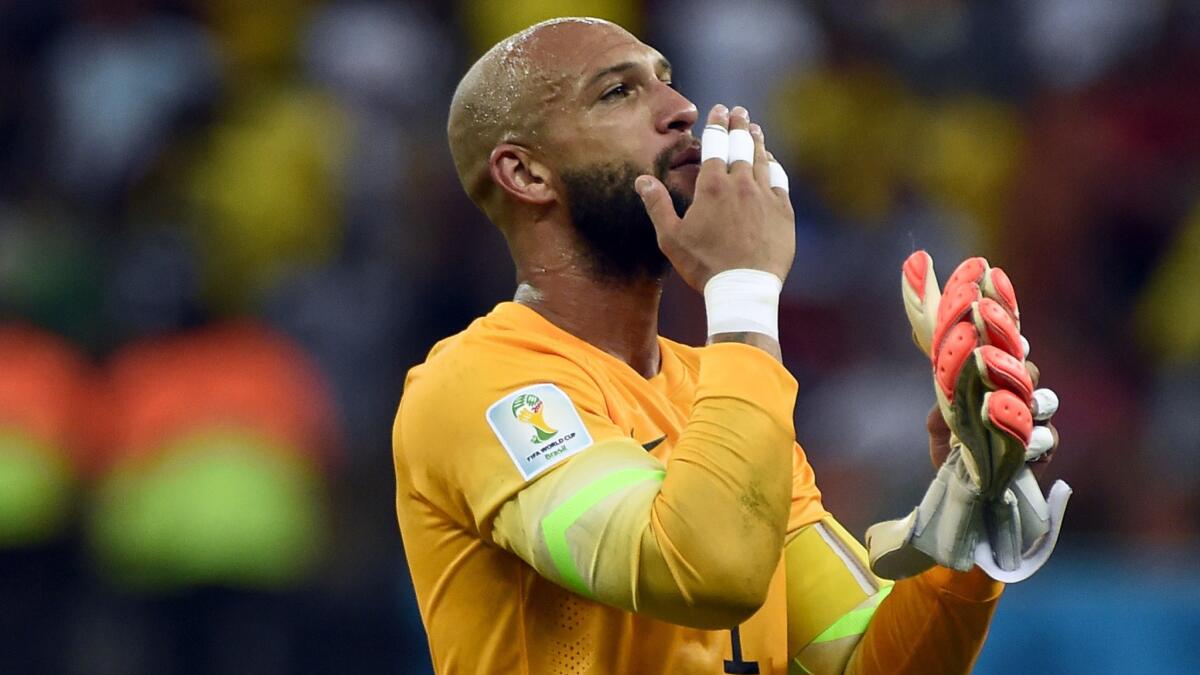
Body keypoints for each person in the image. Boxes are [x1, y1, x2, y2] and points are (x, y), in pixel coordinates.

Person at [393, 17, 1045, 674]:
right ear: (527, 173)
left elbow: (864, 663)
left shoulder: (725, 388)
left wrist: (966, 511)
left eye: (667, 82)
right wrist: (744, 288)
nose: (681, 110)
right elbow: (707, 569)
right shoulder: (480, 385)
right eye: (618, 93)